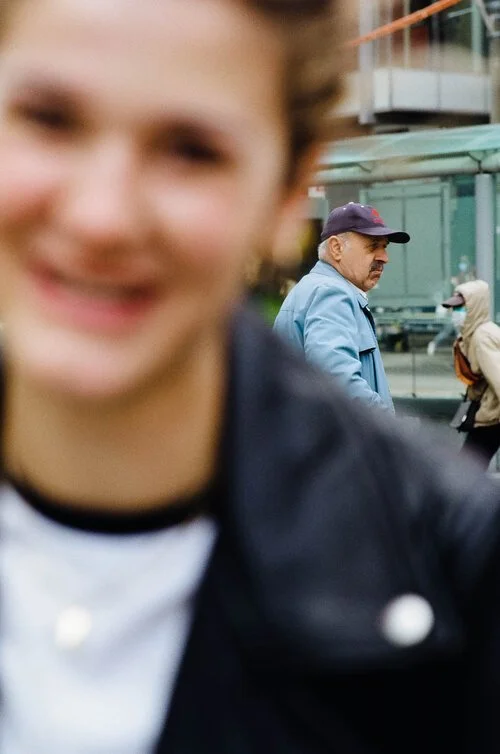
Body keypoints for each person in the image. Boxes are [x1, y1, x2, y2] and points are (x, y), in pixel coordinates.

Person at [1, 2, 500, 754]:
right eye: (48, 119)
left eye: (191, 150)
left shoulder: (456, 568)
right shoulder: (428, 551)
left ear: (285, 194)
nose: (102, 217)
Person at [273, 202, 410, 412]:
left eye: (384, 247)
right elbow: (338, 382)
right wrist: (386, 424)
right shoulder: (332, 293)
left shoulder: (316, 288)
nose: (384, 257)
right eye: (373, 246)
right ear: (336, 248)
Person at [443, 280, 500, 469]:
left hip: (492, 417)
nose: (456, 313)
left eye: (461, 307)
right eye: (454, 308)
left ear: (475, 307)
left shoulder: (482, 337)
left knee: (466, 470)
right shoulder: (473, 334)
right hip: (489, 414)